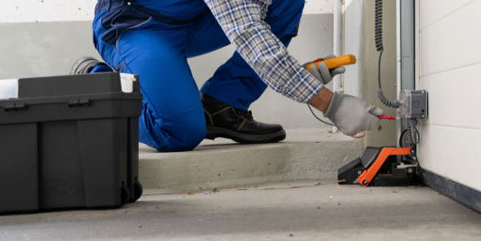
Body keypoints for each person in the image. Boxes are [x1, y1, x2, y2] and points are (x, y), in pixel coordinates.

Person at [74, 0, 383, 152]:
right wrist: (331, 104)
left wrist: (296, 75)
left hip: (193, 17)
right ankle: (99, 85)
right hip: (138, 26)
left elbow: (256, 23)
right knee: (180, 131)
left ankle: (223, 105)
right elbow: (251, 37)